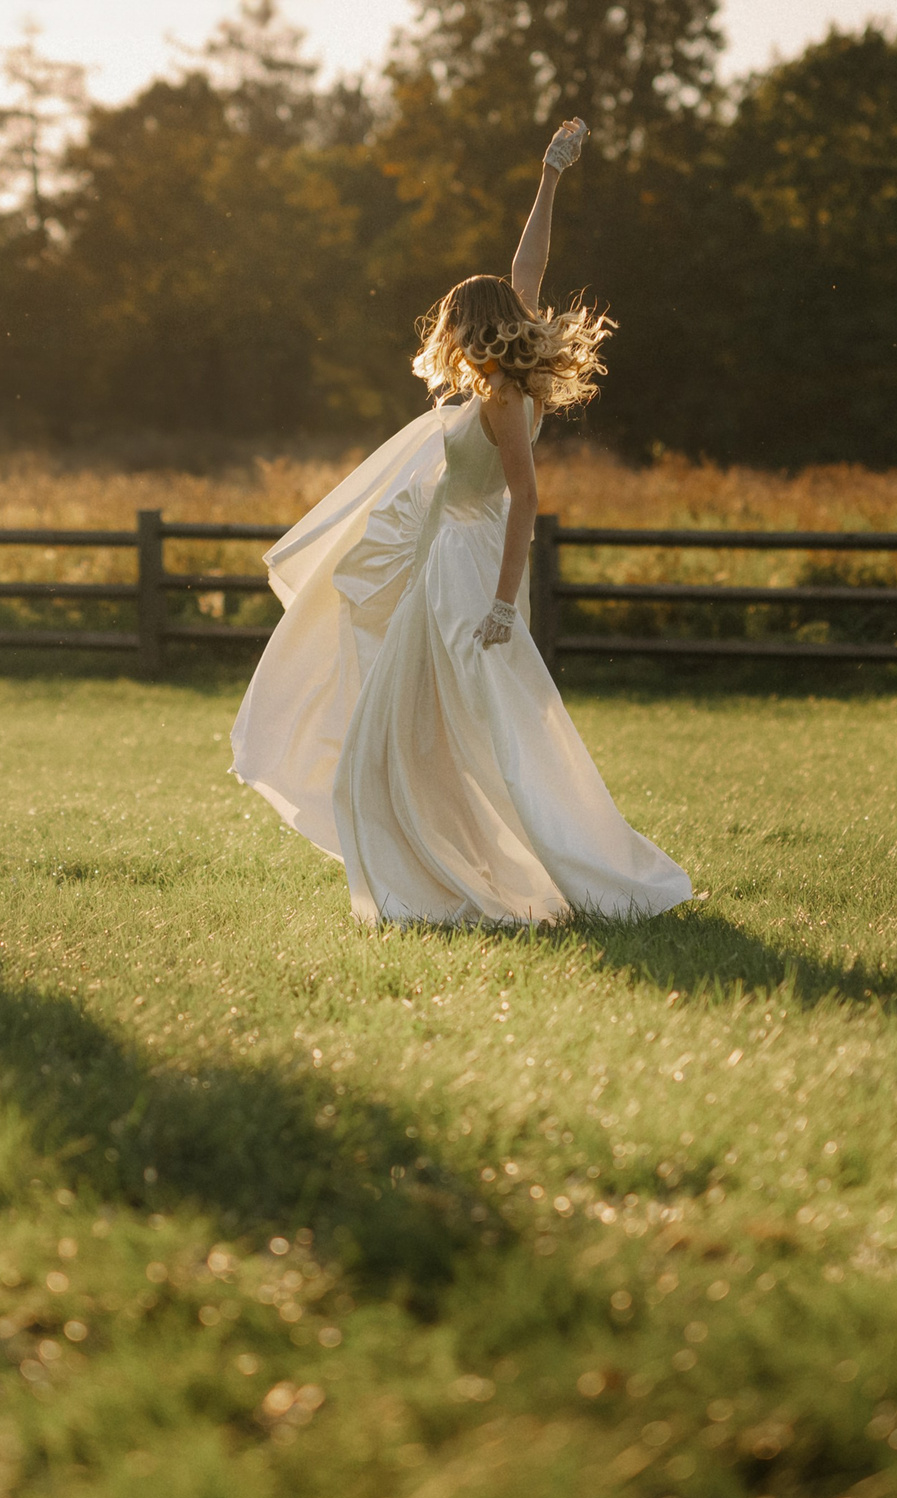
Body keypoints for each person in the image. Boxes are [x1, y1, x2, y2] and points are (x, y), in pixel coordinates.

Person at [231, 120, 693, 926]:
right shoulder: (497, 386)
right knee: (404, 731)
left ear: (469, 327)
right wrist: (549, 178)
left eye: (450, 323)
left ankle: (541, 871)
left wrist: (505, 603)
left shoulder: (508, 400)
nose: (441, 336)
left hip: (471, 571)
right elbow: (530, 267)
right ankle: (434, 874)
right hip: (442, 565)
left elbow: (525, 496)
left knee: (489, 733)